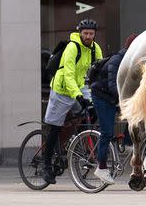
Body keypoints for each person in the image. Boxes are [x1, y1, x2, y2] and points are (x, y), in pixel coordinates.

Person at [42, 19, 102, 184]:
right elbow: (68, 75)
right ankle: (46, 165)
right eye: (85, 33)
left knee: (94, 111)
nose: (88, 36)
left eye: (91, 34)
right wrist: (78, 96)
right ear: (80, 33)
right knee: (54, 128)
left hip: (80, 87)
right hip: (62, 89)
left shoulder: (95, 49)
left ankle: (75, 138)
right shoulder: (72, 47)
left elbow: (98, 72)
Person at [90, 33, 138, 184]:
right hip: (102, 96)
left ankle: (127, 143)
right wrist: (126, 100)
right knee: (107, 132)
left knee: (137, 116)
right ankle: (101, 168)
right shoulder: (117, 60)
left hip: (114, 97)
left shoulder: (133, 62)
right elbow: (113, 85)